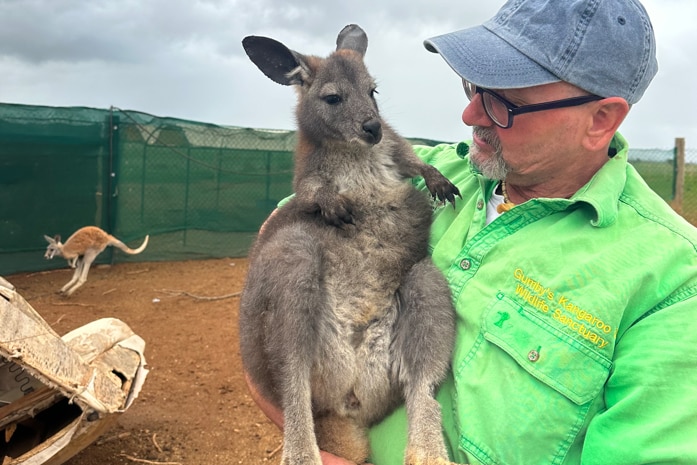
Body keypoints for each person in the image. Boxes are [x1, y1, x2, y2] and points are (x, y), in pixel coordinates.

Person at [246, 0, 697, 464]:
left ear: (600, 120)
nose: (470, 115)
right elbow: (280, 255)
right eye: (474, 85)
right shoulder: (439, 169)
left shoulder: (675, 282)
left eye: (506, 102)